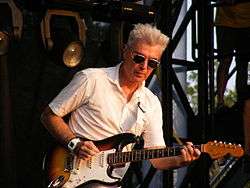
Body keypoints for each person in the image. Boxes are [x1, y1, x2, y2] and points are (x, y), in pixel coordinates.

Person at [41, 23, 201, 187]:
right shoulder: (91, 79)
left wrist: (180, 160)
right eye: (138, 58)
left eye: (152, 63)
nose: (144, 67)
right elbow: (49, 115)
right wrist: (75, 144)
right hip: (71, 174)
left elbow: (156, 158)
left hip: (109, 183)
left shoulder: (151, 103)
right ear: (125, 51)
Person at [215, 2, 250, 108]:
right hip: (226, 22)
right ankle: (220, 102)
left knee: (242, 63)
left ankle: (242, 101)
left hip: (245, 23)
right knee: (226, 62)